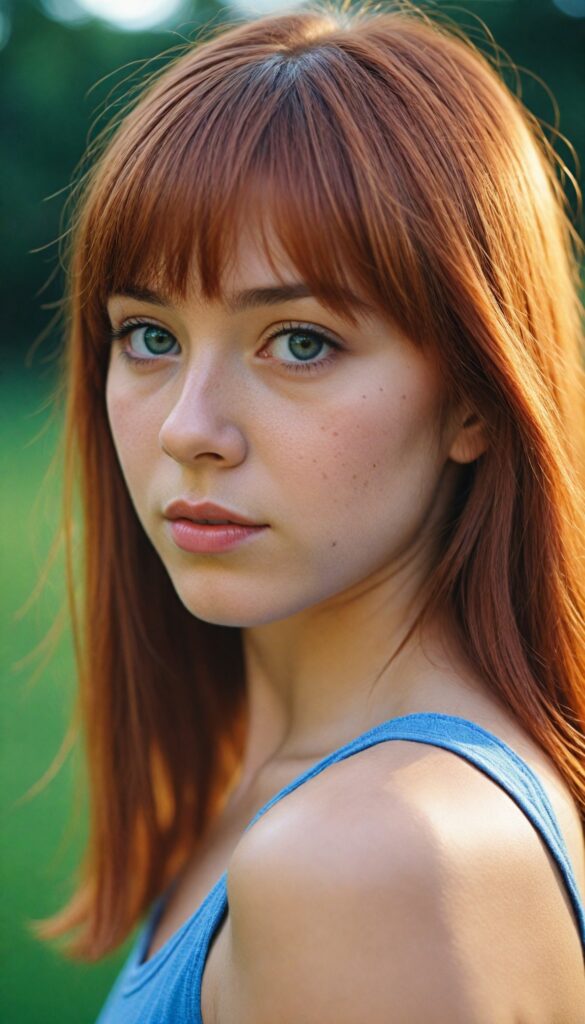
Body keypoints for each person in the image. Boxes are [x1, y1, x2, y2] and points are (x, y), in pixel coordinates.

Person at [33, 1, 585, 1020]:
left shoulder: (364, 858)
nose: (190, 429)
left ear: (474, 395)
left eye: (299, 341)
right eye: (149, 334)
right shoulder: (284, 788)